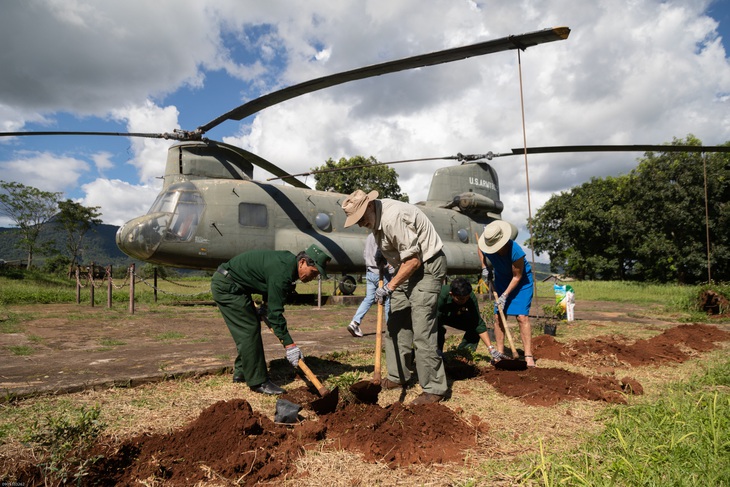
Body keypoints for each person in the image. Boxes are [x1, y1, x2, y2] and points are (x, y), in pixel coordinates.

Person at [342, 189, 448, 405]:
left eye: (361, 219)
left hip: (426, 266)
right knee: (395, 325)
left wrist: (389, 287)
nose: (360, 224)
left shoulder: (393, 218)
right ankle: (397, 376)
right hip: (404, 268)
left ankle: (435, 388)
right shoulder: (376, 218)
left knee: (422, 328)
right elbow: (400, 253)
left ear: (369, 206)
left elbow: (414, 261)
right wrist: (385, 253)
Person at [211, 244, 332, 394]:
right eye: (313, 272)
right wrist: (290, 345)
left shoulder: (288, 264)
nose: (313, 277)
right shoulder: (284, 271)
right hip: (228, 286)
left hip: (238, 285)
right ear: (302, 262)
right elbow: (275, 314)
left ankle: (242, 372)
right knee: (248, 330)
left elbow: (267, 283)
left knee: (250, 328)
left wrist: (265, 306)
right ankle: (258, 382)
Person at [479, 220, 536, 367]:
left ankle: (528, 355)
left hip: (521, 282)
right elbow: (479, 247)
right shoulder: (487, 246)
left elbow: (517, 276)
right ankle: (500, 353)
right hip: (502, 280)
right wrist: (484, 266)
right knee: (499, 315)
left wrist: (505, 295)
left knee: (522, 317)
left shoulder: (515, 251)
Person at [436, 277, 508, 363]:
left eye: (467, 298)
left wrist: (491, 349)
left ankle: (462, 353)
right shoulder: (441, 294)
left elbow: (478, 323)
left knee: (475, 326)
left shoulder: (470, 297)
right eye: (461, 299)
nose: (465, 301)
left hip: (454, 315)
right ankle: (436, 354)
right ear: (451, 294)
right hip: (436, 316)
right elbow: (431, 321)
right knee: (439, 330)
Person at [347, 233, 393, 337]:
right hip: (380, 273)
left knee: (369, 298)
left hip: (369, 271)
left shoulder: (369, 236)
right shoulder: (382, 236)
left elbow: (365, 254)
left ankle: (355, 322)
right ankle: (391, 327)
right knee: (387, 298)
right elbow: (380, 255)